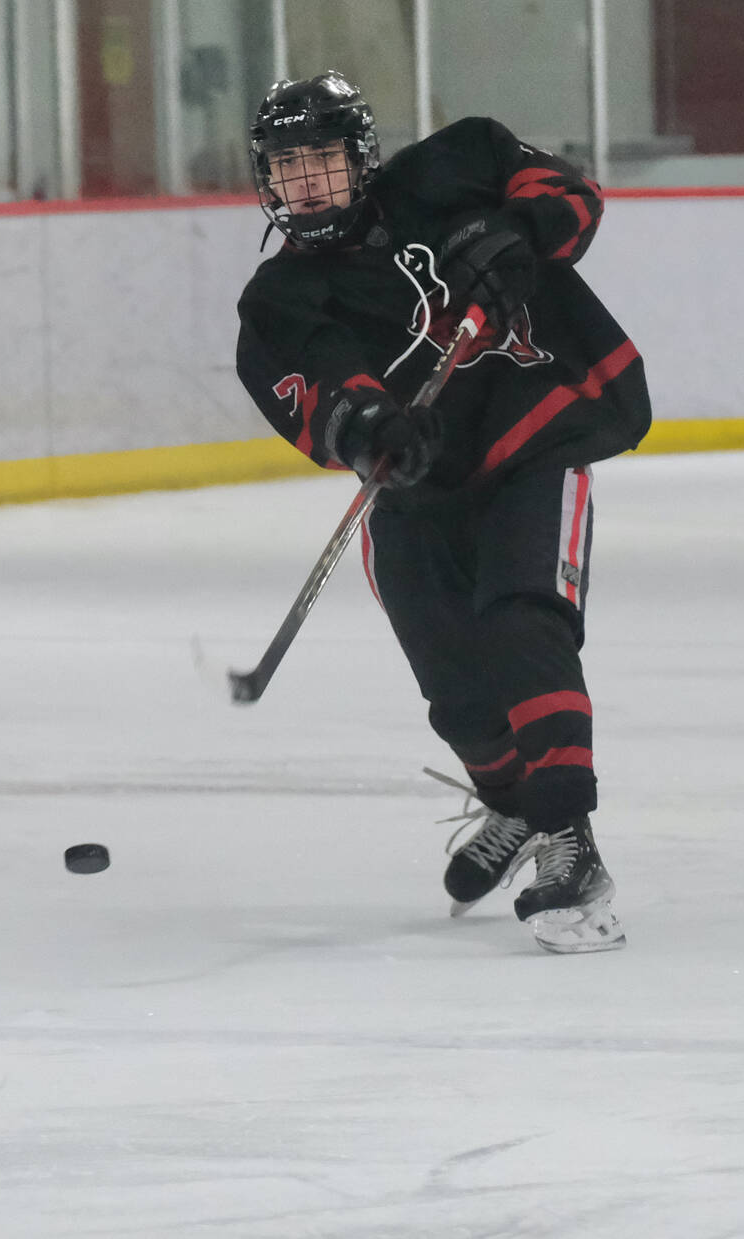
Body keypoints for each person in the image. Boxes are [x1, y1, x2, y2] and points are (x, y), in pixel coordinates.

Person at [235, 71, 651, 954]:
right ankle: (509, 801)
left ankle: (568, 838)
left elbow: (569, 195)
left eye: (324, 161)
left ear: (364, 159)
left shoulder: (456, 164)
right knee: (458, 695)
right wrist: (371, 423)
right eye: (287, 167)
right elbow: (319, 388)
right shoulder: (277, 301)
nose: (307, 183)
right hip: (417, 487)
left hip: (535, 433)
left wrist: (517, 232)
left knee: (520, 620)